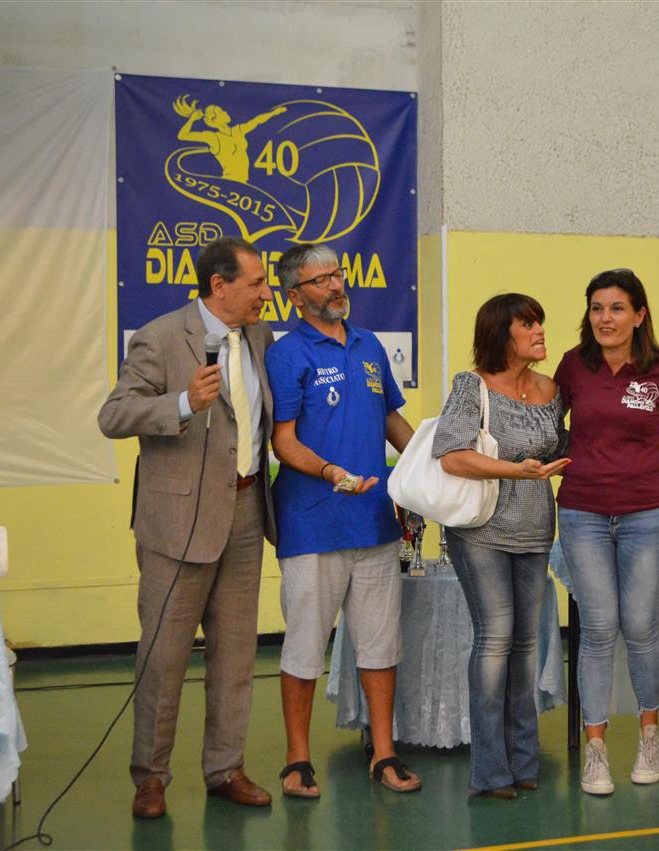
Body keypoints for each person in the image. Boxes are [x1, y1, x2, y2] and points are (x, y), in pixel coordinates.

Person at [98, 236, 276, 819]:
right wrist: (180, 403)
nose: (266, 293)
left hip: (245, 513)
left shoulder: (259, 337)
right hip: (177, 523)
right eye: (256, 283)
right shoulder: (160, 336)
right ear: (219, 286)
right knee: (164, 657)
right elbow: (114, 415)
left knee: (236, 655)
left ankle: (226, 769)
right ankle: (150, 777)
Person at [266, 243, 420, 797]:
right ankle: (297, 760)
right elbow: (283, 441)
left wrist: (430, 467)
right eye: (321, 280)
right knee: (305, 647)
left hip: (374, 523)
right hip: (312, 526)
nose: (336, 286)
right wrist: (330, 471)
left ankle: (383, 753)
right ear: (295, 296)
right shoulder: (287, 355)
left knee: (381, 646)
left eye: (338, 274)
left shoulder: (369, 344)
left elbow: (390, 419)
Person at [553, 269, 659, 795]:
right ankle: (595, 750)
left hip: (646, 512)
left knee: (640, 626)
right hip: (582, 512)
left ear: (639, 315)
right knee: (597, 629)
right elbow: (546, 424)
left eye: (616, 308)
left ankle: (649, 737)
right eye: (597, 308)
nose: (605, 318)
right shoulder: (574, 365)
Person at [432, 293, 570, 799]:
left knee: (526, 645)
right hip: (482, 532)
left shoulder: (551, 389)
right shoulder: (472, 386)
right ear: (500, 334)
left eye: (540, 322)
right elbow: (451, 455)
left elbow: (560, 447)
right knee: (495, 641)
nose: (539, 331)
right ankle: (490, 771)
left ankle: (524, 762)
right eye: (528, 324)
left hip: (535, 530)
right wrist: (516, 470)